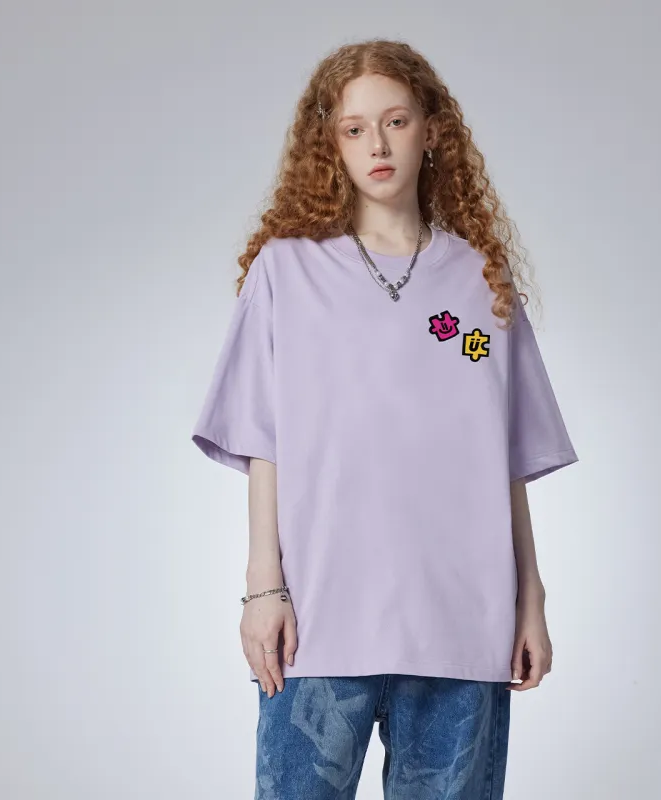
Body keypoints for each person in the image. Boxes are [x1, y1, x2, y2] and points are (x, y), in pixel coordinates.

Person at [191, 38, 579, 800]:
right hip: (318, 622)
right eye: (355, 128)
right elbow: (263, 438)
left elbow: (498, 446)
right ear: (330, 144)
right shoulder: (287, 271)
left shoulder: (475, 288)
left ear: (431, 131)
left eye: (396, 121)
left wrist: (530, 597)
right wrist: (263, 588)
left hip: (461, 621)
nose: (377, 144)